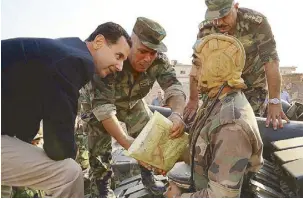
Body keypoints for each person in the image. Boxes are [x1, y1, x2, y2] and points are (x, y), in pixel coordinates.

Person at [1, 22, 131, 198]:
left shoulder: (63, 50)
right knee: (69, 174)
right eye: (118, 56)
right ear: (99, 41)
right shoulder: (76, 61)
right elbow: (58, 149)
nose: (120, 66)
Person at [79, 17, 186, 197]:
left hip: (133, 104)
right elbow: (104, 109)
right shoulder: (112, 58)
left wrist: (177, 114)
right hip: (99, 109)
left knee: (149, 137)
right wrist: (128, 144)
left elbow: (174, 87)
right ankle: (102, 187)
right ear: (131, 41)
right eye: (143, 51)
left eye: (153, 53)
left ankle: (148, 177)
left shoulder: (159, 61)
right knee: (100, 151)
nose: (148, 59)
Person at [165, 33, 263, 198]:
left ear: (217, 67)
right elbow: (205, 152)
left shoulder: (231, 126)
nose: (192, 73)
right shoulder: (217, 101)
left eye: (197, 65)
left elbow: (221, 196)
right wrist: (168, 157)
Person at [184, 0, 289, 130]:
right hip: (219, 88)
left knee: (246, 126)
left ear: (236, 7)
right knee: (212, 126)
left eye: (224, 16)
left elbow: (271, 61)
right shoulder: (206, 29)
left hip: (251, 87)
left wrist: (274, 101)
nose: (219, 22)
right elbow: (198, 64)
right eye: (215, 17)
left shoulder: (256, 24)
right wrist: (193, 100)